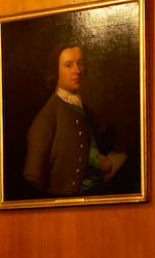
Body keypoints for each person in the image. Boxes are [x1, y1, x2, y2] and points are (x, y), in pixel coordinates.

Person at [22, 44, 125, 197]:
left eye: (80, 63)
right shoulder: (45, 120)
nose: (77, 70)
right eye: (68, 65)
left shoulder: (86, 111)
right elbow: (32, 179)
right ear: (55, 71)